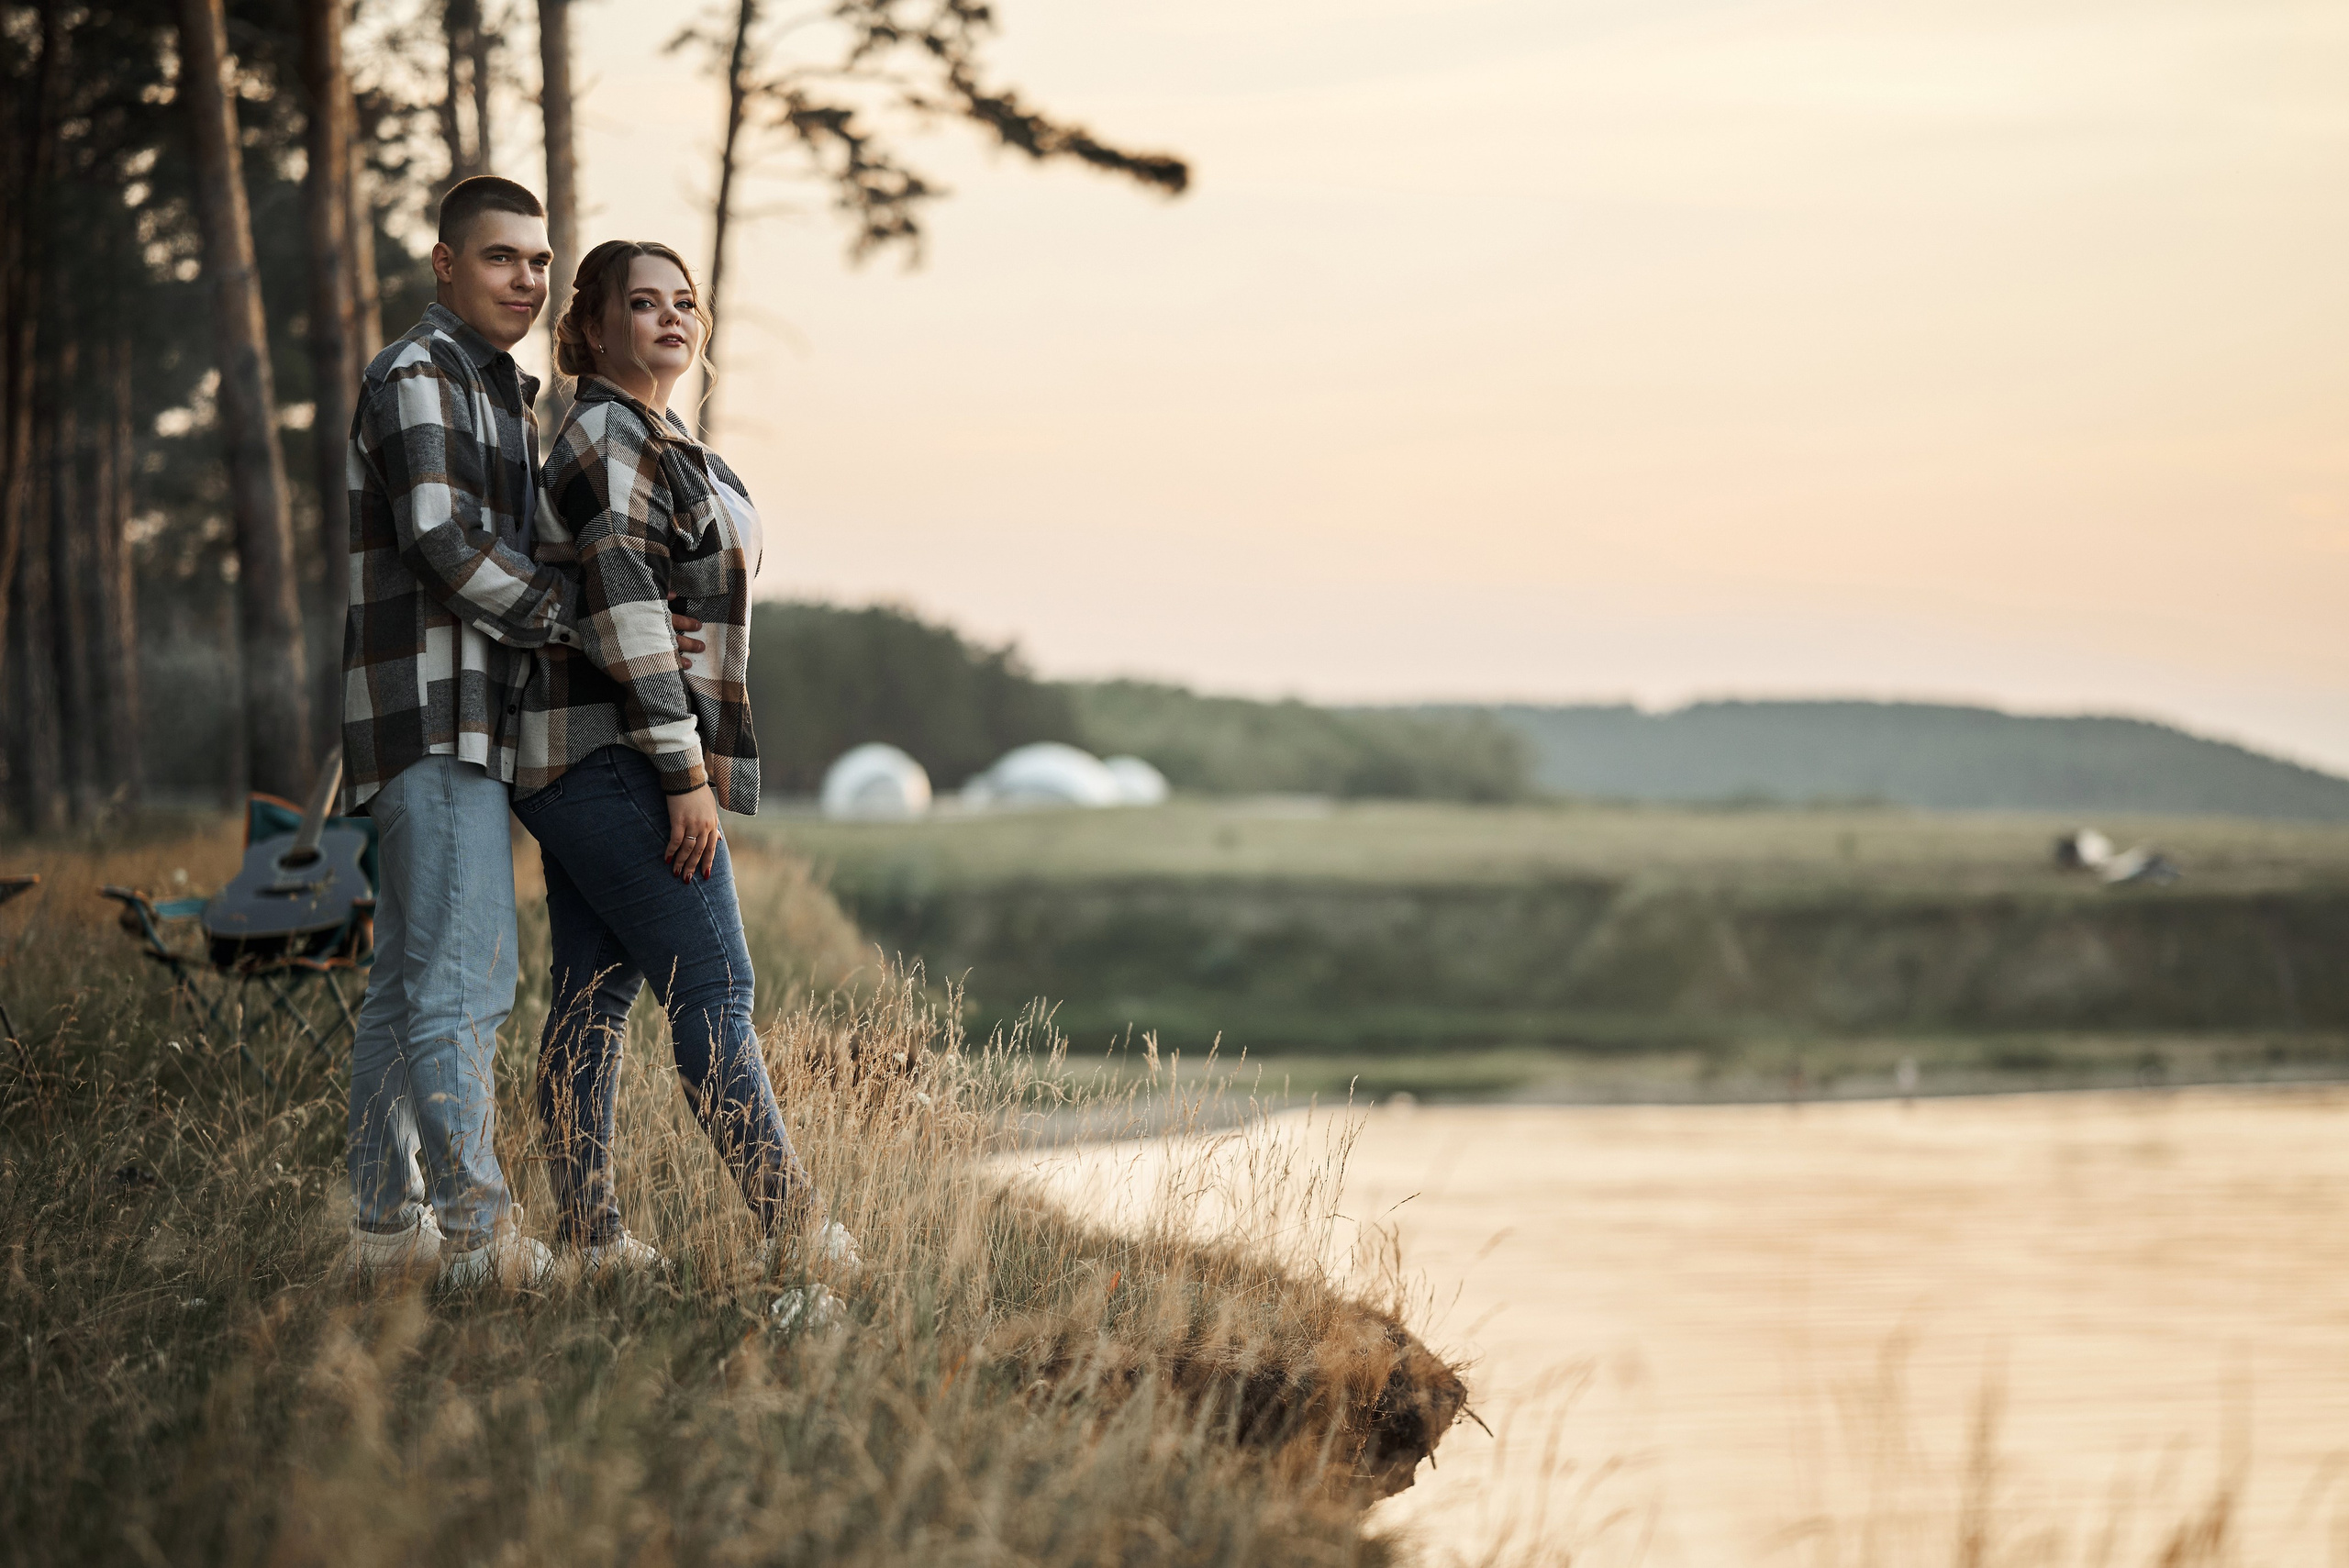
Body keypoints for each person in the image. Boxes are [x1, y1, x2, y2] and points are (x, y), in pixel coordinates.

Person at [338, 180, 706, 1288]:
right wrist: (589, 630)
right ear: (445, 265)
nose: (527, 279)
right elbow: (446, 543)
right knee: (464, 981)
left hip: (464, 722)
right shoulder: (417, 376)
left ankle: (379, 1225)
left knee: (408, 983)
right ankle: (480, 1236)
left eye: (540, 262)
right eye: (502, 259)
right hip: (431, 715)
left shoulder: (501, 393)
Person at [513, 239, 855, 1278]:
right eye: (643, 302)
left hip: (581, 760)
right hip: (616, 754)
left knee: (592, 998)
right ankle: (798, 1237)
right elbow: (629, 622)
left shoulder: (662, 438)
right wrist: (684, 777)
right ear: (593, 327)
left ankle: (592, 1241)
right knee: (715, 984)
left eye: (685, 302)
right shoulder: (611, 440)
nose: (672, 317)